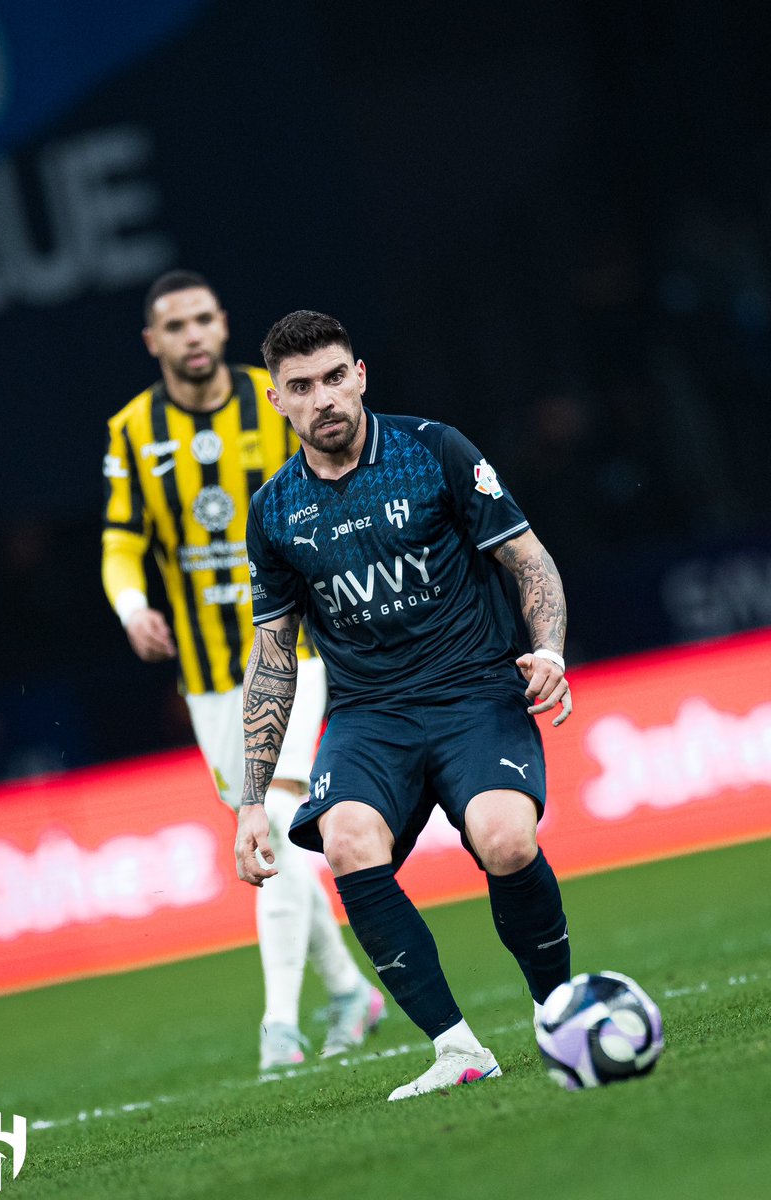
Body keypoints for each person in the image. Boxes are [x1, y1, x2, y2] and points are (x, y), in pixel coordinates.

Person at [235, 310, 573, 1100]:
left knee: (505, 839)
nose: (322, 397)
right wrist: (252, 799)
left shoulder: (434, 450)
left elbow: (527, 558)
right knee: (347, 841)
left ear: (360, 376)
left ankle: (558, 1010)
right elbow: (274, 657)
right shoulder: (274, 511)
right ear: (278, 401)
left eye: (333, 377)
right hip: (369, 715)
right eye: (300, 387)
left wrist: (551, 649)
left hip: (473, 690)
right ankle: (457, 1049)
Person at [101, 274, 384, 1070]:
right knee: (271, 837)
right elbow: (121, 540)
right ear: (153, 341)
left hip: (294, 653)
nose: (192, 335)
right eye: (174, 325)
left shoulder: (279, 398)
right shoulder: (132, 431)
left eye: (203, 319)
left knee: (276, 815)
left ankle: (279, 1028)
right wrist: (131, 607)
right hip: (207, 678)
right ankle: (349, 992)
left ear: (222, 325)